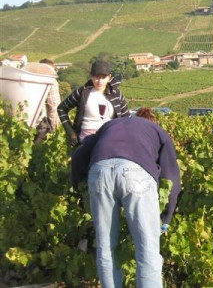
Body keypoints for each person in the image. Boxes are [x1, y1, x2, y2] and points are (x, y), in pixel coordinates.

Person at [71, 107, 181, 288]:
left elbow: (78, 156)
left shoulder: (110, 125)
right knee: (147, 249)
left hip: (99, 173)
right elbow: (171, 178)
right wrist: (166, 217)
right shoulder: (157, 131)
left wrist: (80, 192)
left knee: (106, 247)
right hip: (136, 174)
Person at [58, 59, 129, 146]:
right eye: (96, 77)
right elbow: (61, 108)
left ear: (109, 77)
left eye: (103, 77)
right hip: (85, 142)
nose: (100, 81)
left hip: (110, 141)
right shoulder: (82, 92)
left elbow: (127, 119)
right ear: (91, 76)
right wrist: (71, 132)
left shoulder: (117, 95)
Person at [27, 59, 61, 142]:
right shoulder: (51, 81)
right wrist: (54, 128)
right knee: (38, 152)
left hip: (24, 123)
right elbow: (53, 105)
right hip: (40, 126)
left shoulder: (29, 78)